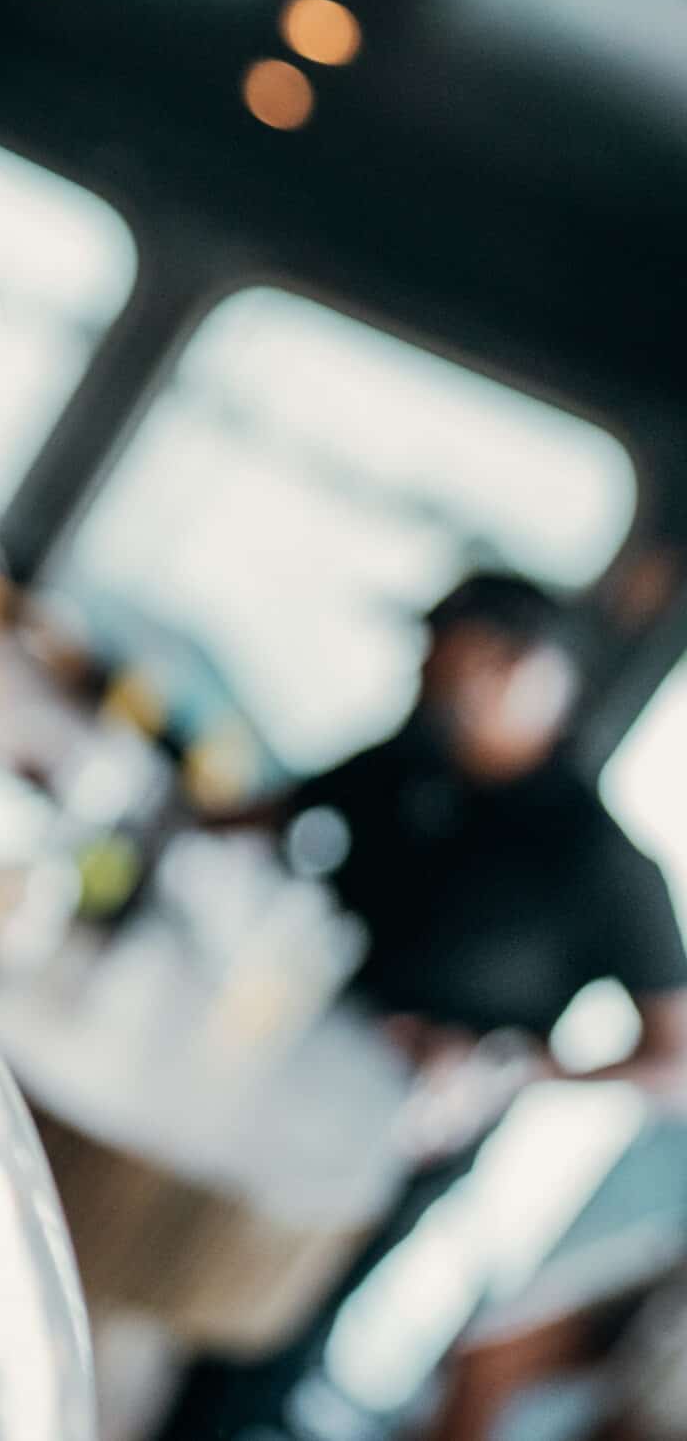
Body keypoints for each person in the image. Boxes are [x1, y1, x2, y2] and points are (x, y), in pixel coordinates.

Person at [155, 570, 687, 1441]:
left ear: (525, 672)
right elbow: (261, 815)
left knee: (271, 1337)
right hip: (284, 1069)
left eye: (454, 666)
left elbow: (676, 1061)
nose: (430, 682)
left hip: (407, 1132)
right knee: (198, 1284)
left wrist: (510, 1066)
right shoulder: (408, 761)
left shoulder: (602, 861)